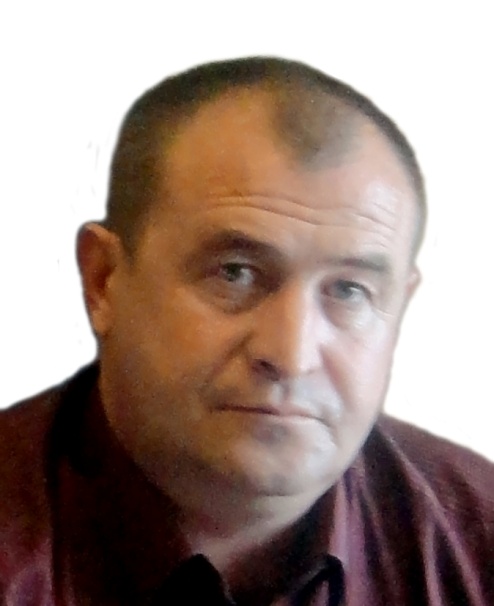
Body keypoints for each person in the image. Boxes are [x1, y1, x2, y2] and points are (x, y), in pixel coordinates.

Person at [0, 57, 492, 606]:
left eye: (349, 291)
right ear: (104, 281)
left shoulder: (479, 541)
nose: (292, 355)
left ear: (399, 307)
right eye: (235, 273)